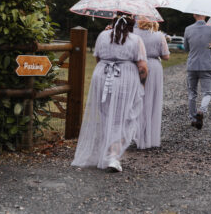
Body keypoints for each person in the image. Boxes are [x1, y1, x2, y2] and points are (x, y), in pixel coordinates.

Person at [71, 13, 148, 172]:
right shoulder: (135, 40)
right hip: (124, 78)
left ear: (112, 23)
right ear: (131, 26)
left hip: (102, 76)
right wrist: (142, 83)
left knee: (107, 115)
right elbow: (142, 67)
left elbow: (98, 59)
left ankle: (107, 153)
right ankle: (113, 156)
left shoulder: (102, 36)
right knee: (122, 117)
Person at [133, 20, 170, 149]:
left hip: (137, 66)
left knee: (138, 99)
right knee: (152, 100)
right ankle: (150, 137)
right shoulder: (159, 35)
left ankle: (137, 135)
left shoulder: (133, 33)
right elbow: (166, 56)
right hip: (154, 67)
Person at [184, 14, 211, 129]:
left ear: (194, 15)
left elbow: (186, 48)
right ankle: (201, 111)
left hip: (192, 65)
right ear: (205, 15)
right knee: (207, 93)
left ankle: (193, 118)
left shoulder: (188, 29)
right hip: (206, 65)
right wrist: (210, 46)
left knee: (192, 94)